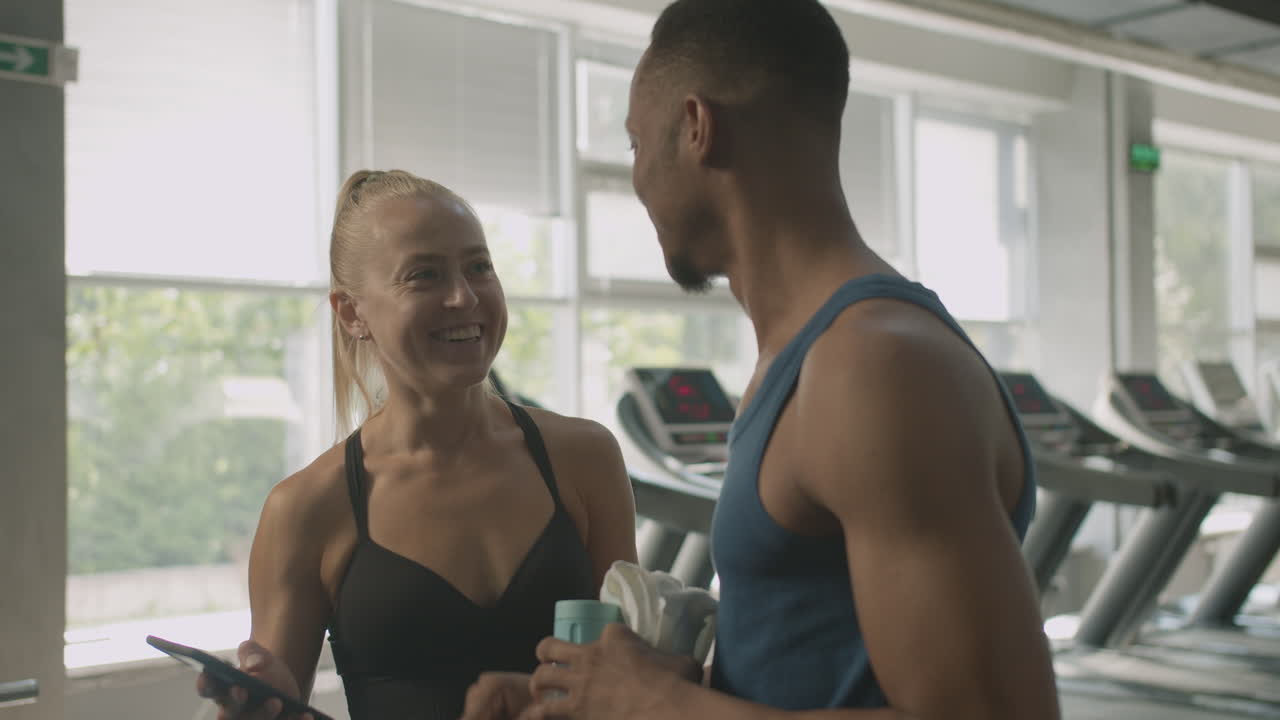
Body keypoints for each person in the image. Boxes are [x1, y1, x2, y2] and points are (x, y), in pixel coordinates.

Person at [462, 1, 1061, 718]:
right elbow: (817, 679)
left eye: (635, 145)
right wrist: (621, 691)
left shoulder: (873, 367)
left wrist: (661, 704)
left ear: (696, 127)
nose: (639, 181)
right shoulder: (803, 360)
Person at [194, 169, 639, 720]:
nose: (464, 296)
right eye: (424, 276)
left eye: (479, 267)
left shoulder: (584, 458)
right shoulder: (306, 509)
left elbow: (641, 678)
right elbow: (275, 706)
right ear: (352, 313)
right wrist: (258, 706)